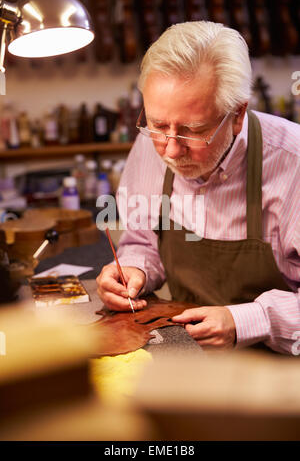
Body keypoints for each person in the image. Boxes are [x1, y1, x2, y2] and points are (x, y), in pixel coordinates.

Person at [97, 21, 300, 355]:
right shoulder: (151, 147)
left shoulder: (291, 164)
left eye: (193, 131)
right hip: (187, 361)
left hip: (280, 373)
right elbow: (144, 240)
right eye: (158, 125)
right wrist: (134, 270)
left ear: (237, 114)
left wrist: (249, 321)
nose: (171, 151)